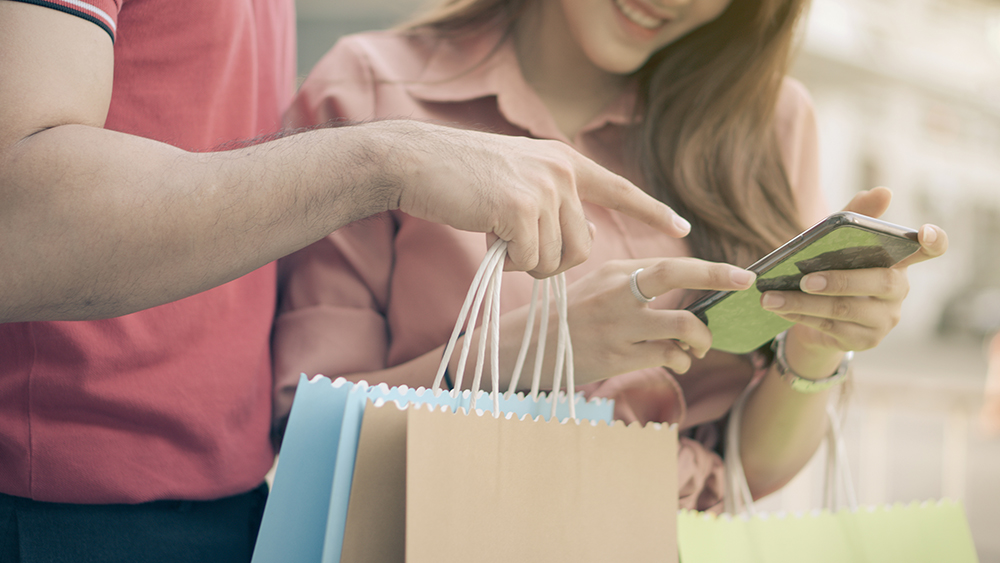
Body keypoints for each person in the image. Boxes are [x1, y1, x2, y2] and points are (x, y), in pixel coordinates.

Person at [0, 0, 689, 561]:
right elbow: (17, 218)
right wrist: (389, 158)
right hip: (63, 511)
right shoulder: (371, 81)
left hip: (220, 508)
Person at [274, 0, 949, 512]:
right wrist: (534, 353)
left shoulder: (767, 120)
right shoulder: (370, 91)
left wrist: (817, 342)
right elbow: (309, 439)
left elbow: (745, 472)